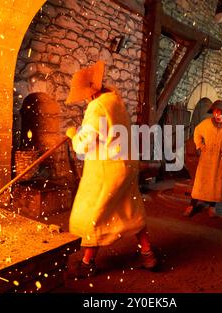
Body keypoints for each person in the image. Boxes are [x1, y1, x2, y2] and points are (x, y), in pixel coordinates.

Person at [64, 60, 157, 278]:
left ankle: (87, 263)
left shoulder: (97, 107)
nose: (85, 99)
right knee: (130, 208)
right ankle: (148, 254)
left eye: (85, 96)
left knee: (93, 214)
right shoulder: (115, 101)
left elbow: (84, 144)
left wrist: (72, 136)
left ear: (90, 92)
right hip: (125, 166)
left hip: (106, 172)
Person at [183, 100, 222, 218]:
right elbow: (197, 133)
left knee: (216, 183)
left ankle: (212, 207)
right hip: (207, 158)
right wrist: (200, 145)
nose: (217, 115)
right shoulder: (205, 124)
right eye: (215, 112)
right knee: (200, 183)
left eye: (219, 112)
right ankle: (191, 205)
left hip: (221, 158)